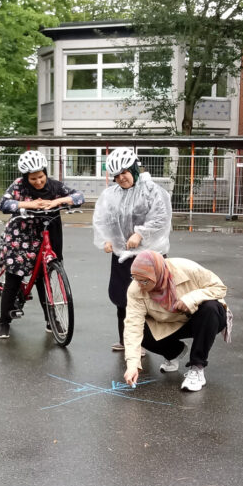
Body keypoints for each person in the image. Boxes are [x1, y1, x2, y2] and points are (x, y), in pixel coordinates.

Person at [0, 150, 84, 339]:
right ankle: (4, 322)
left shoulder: (54, 186)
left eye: (41, 176)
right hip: (21, 235)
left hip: (48, 234)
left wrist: (57, 201)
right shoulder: (19, 186)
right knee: (14, 278)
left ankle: (51, 321)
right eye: (33, 178)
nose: (38, 181)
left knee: (44, 278)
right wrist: (28, 205)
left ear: (45, 172)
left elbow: (79, 197)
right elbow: (4, 204)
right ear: (25, 177)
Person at [92, 147, 172, 351]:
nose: (121, 178)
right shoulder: (111, 195)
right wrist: (106, 240)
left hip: (148, 256)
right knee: (122, 298)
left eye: (125, 173)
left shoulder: (152, 191)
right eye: (116, 176)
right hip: (123, 255)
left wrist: (141, 234)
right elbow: (104, 219)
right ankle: (127, 341)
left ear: (134, 169)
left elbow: (161, 218)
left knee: (149, 300)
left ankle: (152, 343)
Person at [122, 251, 230, 392]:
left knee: (211, 308)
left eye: (144, 280)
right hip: (168, 323)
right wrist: (132, 365)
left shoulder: (186, 268)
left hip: (201, 317)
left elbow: (219, 287)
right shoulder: (135, 289)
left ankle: (197, 368)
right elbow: (132, 327)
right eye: (135, 278)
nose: (139, 285)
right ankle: (174, 352)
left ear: (157, 274)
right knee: (140, 332)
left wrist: (190, 299)